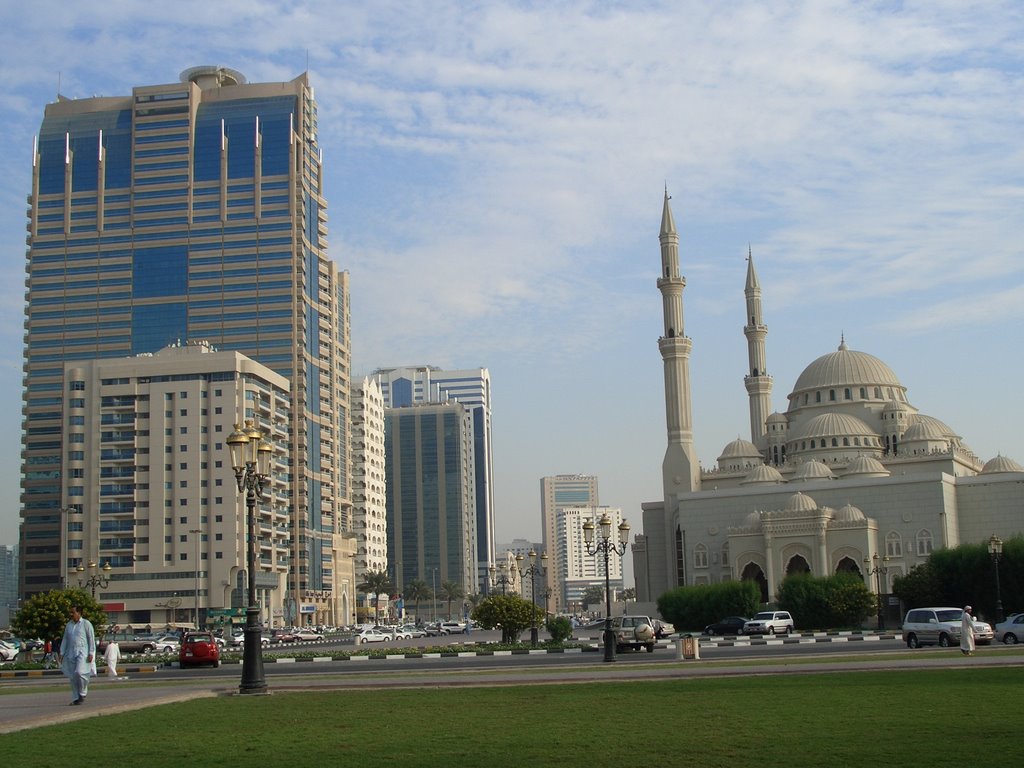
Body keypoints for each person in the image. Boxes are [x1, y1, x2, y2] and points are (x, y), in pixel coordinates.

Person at [58, 604, 96, 705]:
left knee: (80, 673)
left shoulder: (86, 624)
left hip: (83, 652)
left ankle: (83, 692)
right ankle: (76, 698)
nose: (71, 614)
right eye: (70, 612)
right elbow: (65, 639)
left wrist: (91, 652)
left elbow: (91, 639)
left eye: (73, 612)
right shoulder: (69, 625)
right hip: (71, 652)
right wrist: (61, 652)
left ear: (79, 613)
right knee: (73, 676)